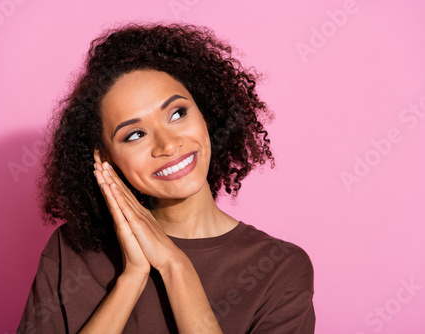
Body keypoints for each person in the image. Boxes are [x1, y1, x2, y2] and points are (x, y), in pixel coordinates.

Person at [17, 23, 315, 333]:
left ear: (205, 112)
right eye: (135, 134)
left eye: (177, 113)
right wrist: (131, 278)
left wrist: (176, 267)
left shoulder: (280, 268)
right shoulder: (72, 251)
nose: (168, 145)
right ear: (105, 158)